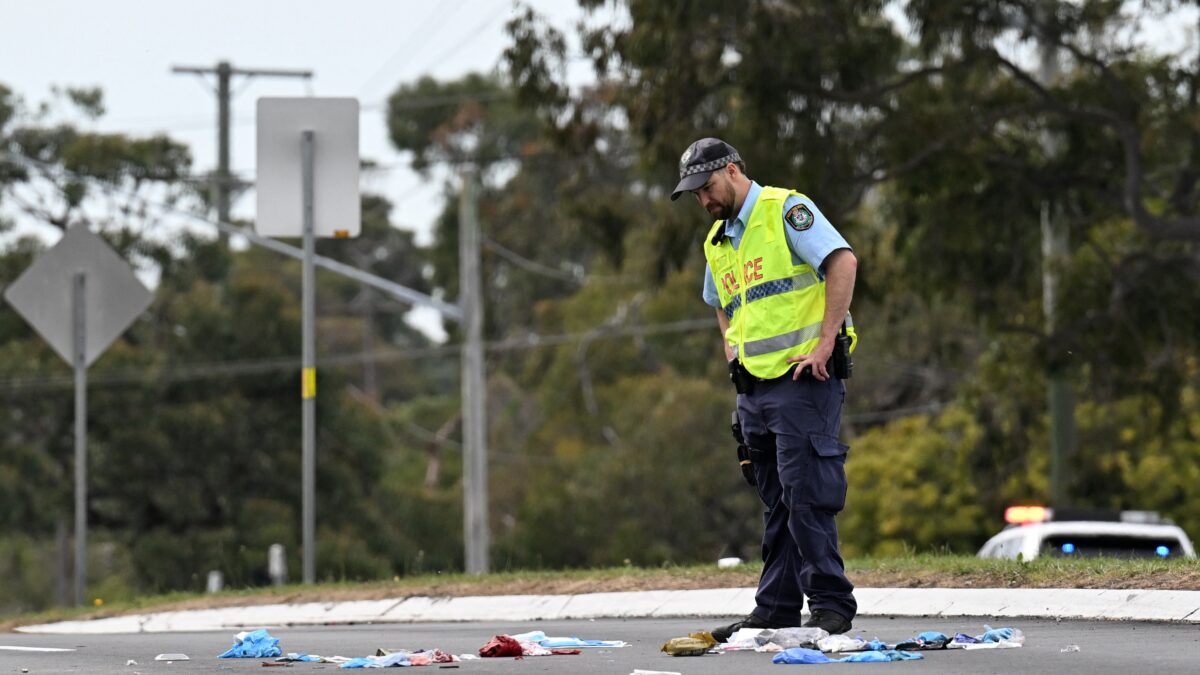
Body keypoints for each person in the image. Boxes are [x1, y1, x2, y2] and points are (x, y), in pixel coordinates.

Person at [672, 137, 859, 639]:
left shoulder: (786, 211)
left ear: (732, 171)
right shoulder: (718, 241)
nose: (704, 201)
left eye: (707, 187)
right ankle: (775, 605)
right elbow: (721, 300)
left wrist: (824, 345)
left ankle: (830, 604)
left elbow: (843, 262)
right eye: (694, 194)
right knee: (775, 499)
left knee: (806, 494)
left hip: (804, 380)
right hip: (754, 389)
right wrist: (731, 352)